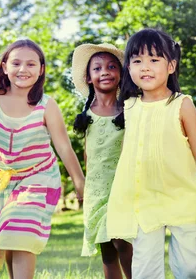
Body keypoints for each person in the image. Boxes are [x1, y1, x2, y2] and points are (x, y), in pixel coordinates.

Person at [106, 29, 196, 279]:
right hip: (144, 200)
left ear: (171, 66)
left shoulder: (182, 104)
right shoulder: (130, 106)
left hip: (182, 196)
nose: (145, 67)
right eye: (137, 61)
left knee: (190, 268)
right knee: (145, 269)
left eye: (154, 60)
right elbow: (128, 153)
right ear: (129, 68)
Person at [0, 39, 85, 278]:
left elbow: (63, 146)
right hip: (0, 180)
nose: (23, 69)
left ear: (41, 69)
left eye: (31, 64)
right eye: (16, 63)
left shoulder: (46, 105)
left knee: (20, 231)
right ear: (4, 66)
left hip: (38, 178)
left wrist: (81, 183)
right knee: (9, 238)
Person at [71, 43, 132, 278]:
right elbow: (88, 155)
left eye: (111, 66)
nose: (105, 71)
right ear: (88, 77)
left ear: (121, 74)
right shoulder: (87, 116)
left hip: (121, 188)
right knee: (106, 250)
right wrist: (83, 185)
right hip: (97, 191)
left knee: (122, 242)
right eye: (97, 68)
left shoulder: (128, 110)